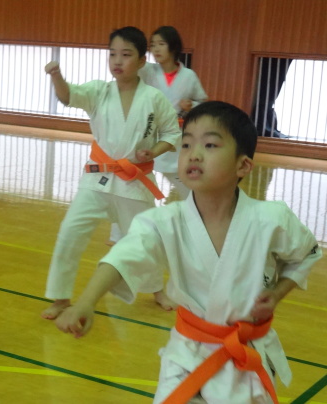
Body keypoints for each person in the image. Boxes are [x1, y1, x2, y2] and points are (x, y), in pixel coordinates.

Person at [56, 101, 322, 403]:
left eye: (210, 145)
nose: (194, 154)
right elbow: (121, 258)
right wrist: (86, 302)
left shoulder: (271, 219)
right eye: (186, 145)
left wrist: (276, 294)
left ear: (243, 166)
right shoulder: (164, 221)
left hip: (247, 356)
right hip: (186, 357)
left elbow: (306, 254)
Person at [40, 26, 181, 320]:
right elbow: (68, 96)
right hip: (97, 178)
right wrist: (56, 76)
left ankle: (157, 289)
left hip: (135, 181)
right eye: (113, 54)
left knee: (145, 238)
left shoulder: (154, 98)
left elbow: (172, 133)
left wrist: (153, 152)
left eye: (126, 55)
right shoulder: (99, 91)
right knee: (69, 232)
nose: (117, 61)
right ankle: (61, 296)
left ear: (141, 61)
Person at [108, 25, 209, 310]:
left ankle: (196, 229)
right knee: (129, 200)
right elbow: (125, 82)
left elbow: (203, 101)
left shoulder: (188, 76)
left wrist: (192, 103)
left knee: (190, 193)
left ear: (173, 46)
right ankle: (118, 236)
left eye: (160, 44)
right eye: (152, 45)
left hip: (172, 142)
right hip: (143, 148)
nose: (155, 49)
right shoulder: (146, 71)